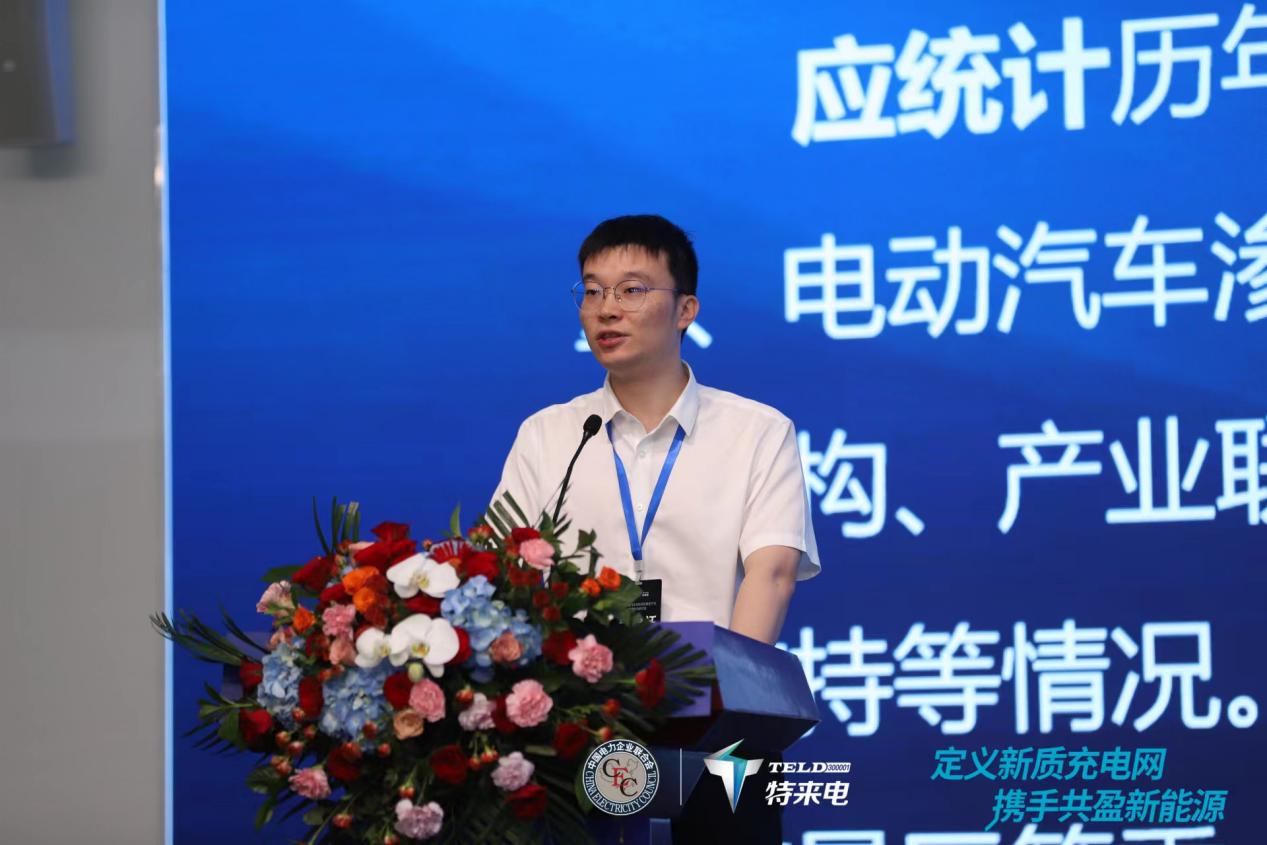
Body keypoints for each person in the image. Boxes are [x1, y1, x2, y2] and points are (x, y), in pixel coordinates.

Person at [493, 214, 819, 645]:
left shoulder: (757, 433)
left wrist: (735, 685)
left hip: (707, 679)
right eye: (592, 292)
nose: (607, 309)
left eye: (631, 290)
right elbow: (500, 571)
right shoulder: (546, 435)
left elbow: (773, 576)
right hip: (574, 680)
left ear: (685, 310)